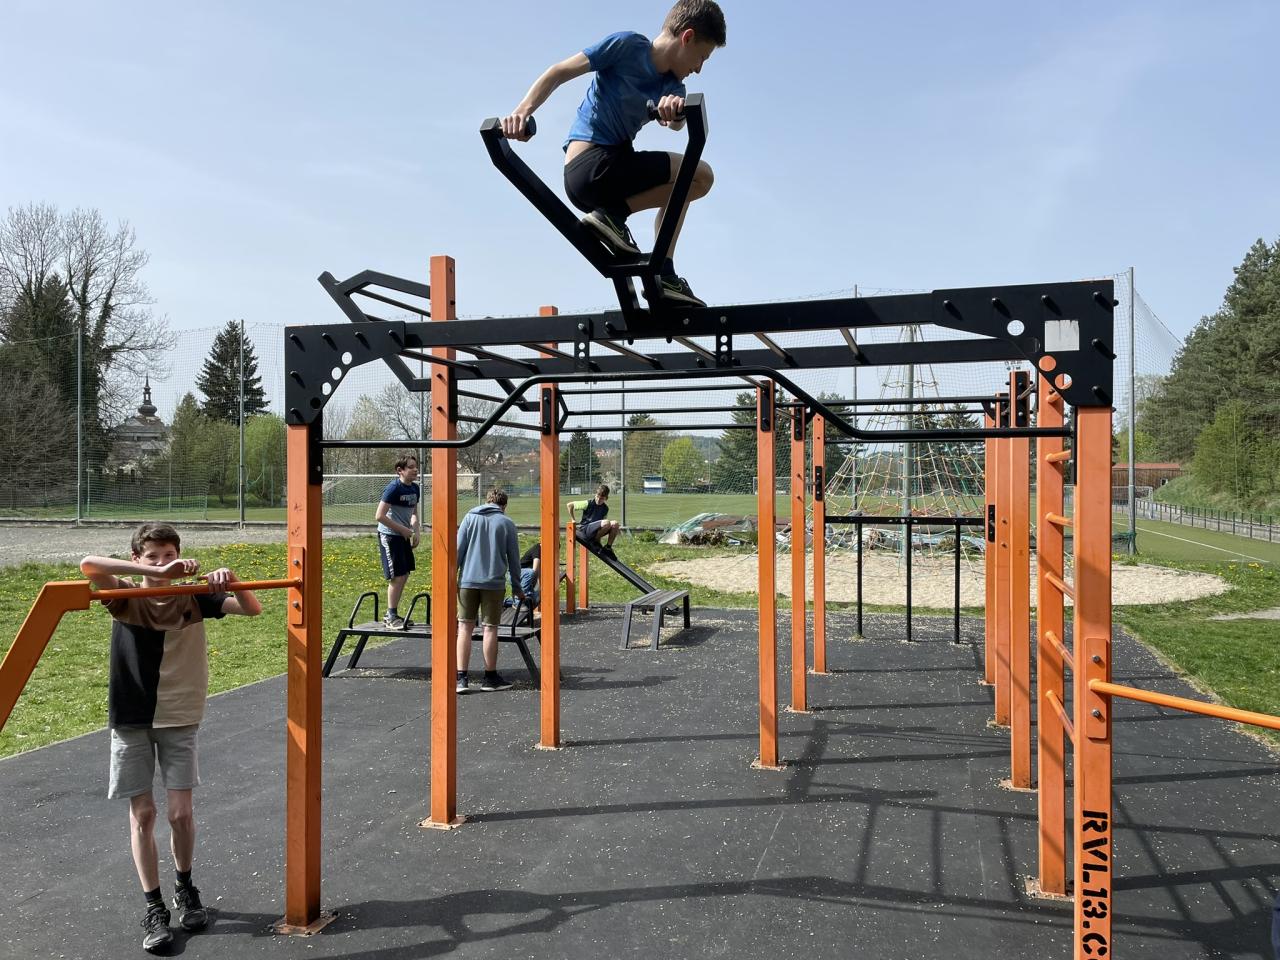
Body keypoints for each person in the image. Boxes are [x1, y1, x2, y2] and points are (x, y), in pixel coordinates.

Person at [80, 522, 262, 954]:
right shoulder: (125, 595)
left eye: (169, 555)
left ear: (181, 556)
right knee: (143, 814)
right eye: (153, 556)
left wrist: (231, 578)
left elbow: (252, 609)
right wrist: (156, 574)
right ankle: (154, 906)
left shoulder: (194, 596)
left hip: (180, 716)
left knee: (180, 814)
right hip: (132, 717)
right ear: (137, 560)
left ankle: (185, 886)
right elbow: (88, 564)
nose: (163, 563)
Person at [501, 0, 727, 309]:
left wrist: (674, 112)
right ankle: (618, 219)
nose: (698, 69)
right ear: (687, 37)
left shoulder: (673, 87)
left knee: (689, 181)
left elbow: (676, 124)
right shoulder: (627, 46)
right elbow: (559, 71)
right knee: (702, 175)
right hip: (588, 164)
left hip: (610, 175)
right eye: (702, 57)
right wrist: (521, 112)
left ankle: (661, 267)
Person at [456, 487, 525, 694]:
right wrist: (517, 587)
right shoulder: (507, 523)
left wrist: (451, 581)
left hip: (467, 581)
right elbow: (514, 559)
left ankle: (461, 678)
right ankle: (490, 677)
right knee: (490, 629)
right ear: (504, 505)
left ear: (487, 501)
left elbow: (458, 551)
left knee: (464, 628)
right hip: (493, 584)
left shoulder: (469, 517)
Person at [374, 454, 421, 629]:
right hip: (390, 536)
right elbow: (379, 516)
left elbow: (414, 513)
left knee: (405, 574)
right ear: (400, 470)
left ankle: (393, 613)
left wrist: (416, 530)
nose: (415, 470)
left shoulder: (415, 488)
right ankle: (390, 615)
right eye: (410, 467)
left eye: (416, 466)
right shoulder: (393, 489)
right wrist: (401, 529)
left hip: (404, 536)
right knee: (397, 576)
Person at [568, 484, 621, 558]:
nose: (598, 500)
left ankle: (608, 547)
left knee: (615, 524)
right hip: (585, 529)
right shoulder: (588, 503)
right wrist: (573, 519)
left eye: (601, 499)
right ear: (596, 494)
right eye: (597, 497)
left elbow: (603, 527)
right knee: (606, 522)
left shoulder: (605, 508)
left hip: (595, 531)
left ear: (606, 498)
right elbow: (569, 505)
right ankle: (594, 541)